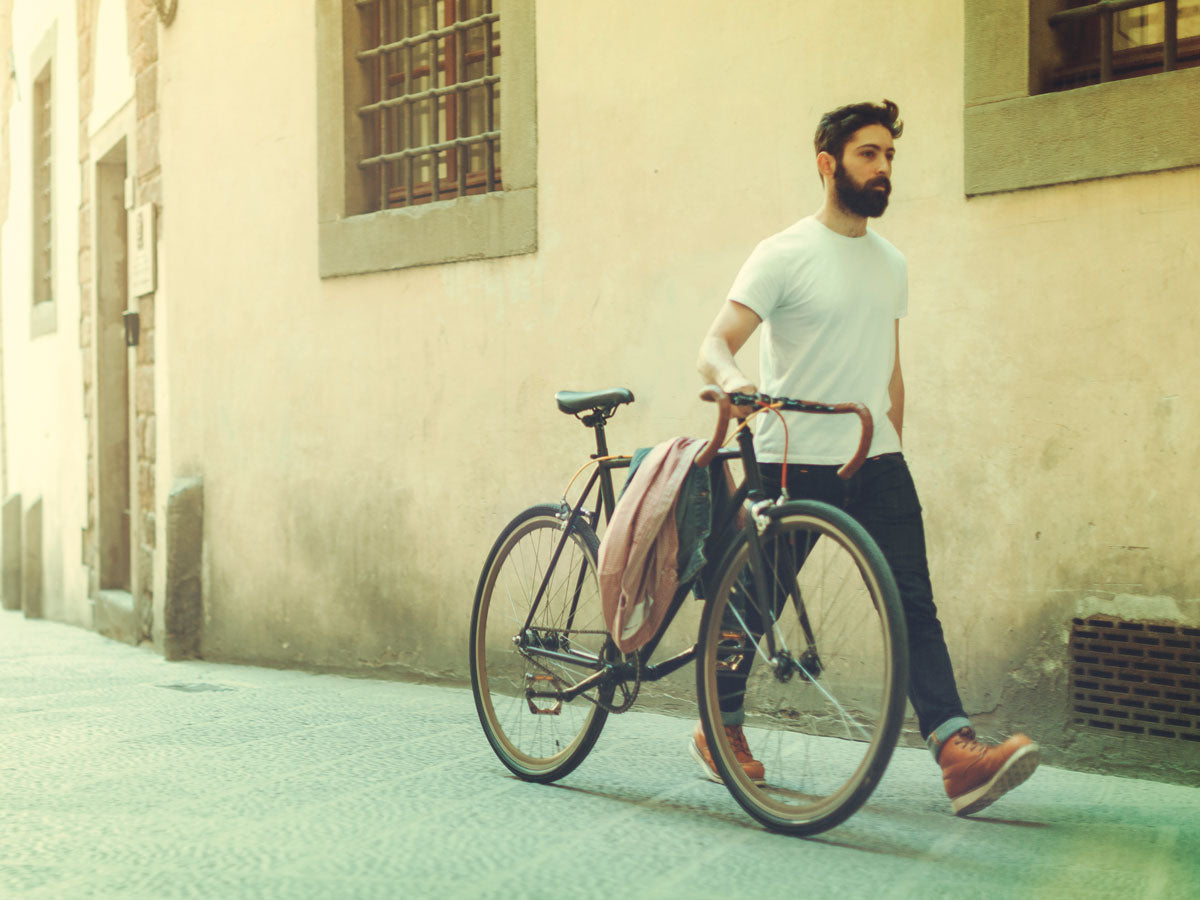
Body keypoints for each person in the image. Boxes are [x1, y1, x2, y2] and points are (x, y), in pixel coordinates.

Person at [693, 99, 1040, 817]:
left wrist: (895, 445)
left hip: (873, 458)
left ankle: (956, 755)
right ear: (829, 165)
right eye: (868, 155)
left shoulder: (891, 264)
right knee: (755, 603)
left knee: (913, 601)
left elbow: (890, 372)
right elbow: (714, 344)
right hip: (792, 456)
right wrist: (734, 384)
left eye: (889, 156)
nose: (884, 169)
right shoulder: (782, 252)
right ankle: (719, 728)